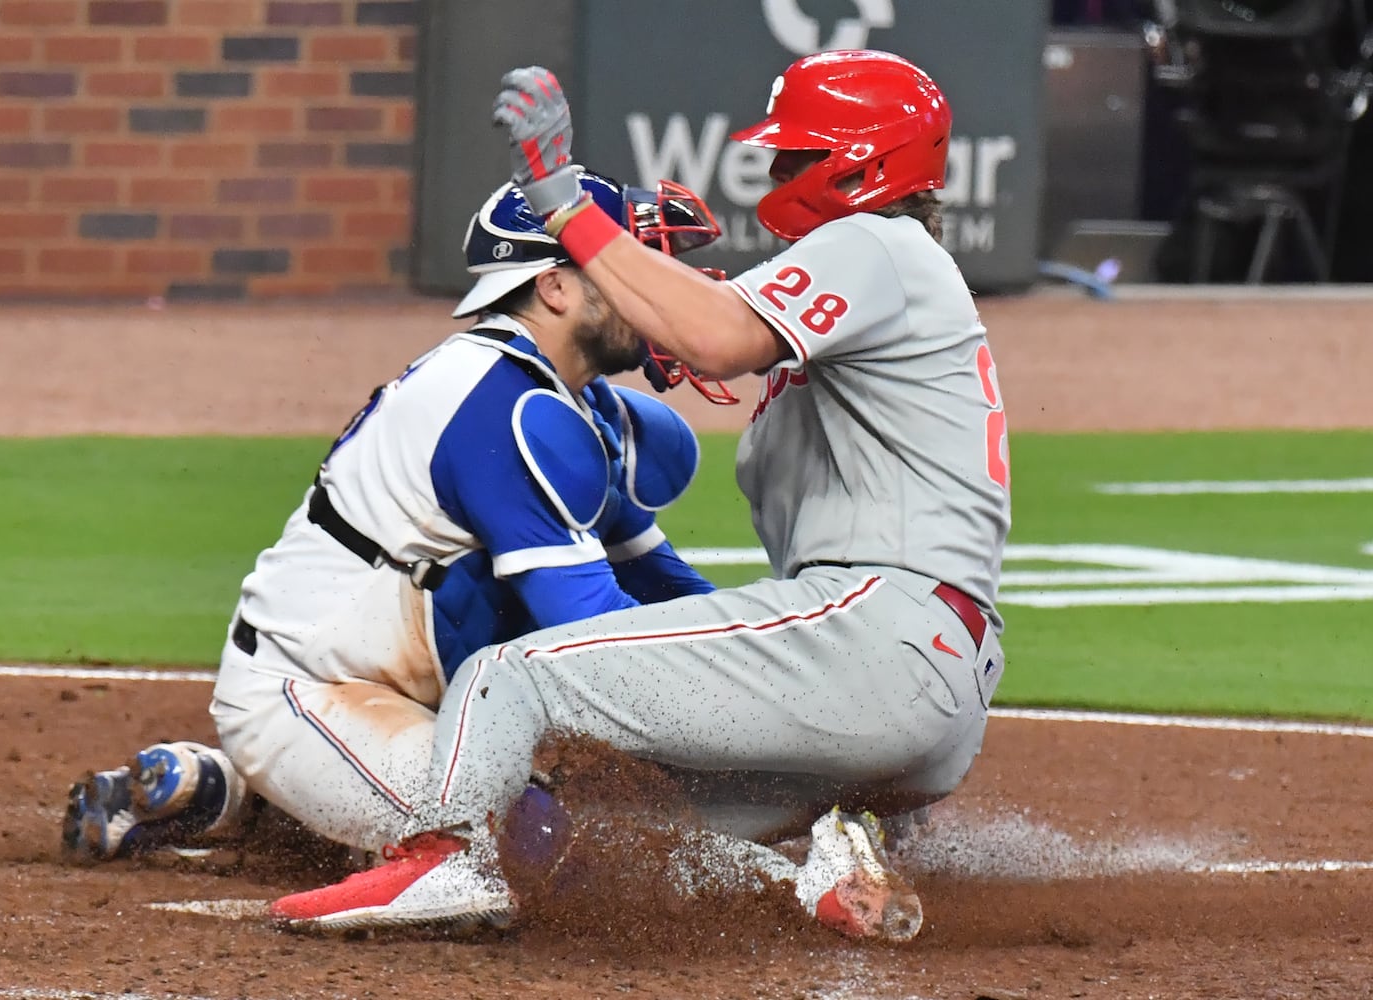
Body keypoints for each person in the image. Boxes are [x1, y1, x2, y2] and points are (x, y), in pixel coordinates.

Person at [269, 50, 1012, 944]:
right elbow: (724, 331)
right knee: (629, 815)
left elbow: (721, 333)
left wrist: (565, 206)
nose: (775, 175)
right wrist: (668, 318)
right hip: (924, 689)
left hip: (874, 635)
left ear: (863, 162)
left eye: (797, 157)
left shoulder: (874, 244)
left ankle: (447, 861)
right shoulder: (897, 279)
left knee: (512, 680)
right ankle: (835, 849)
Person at [61, 169, 727, 863]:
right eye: (630, 261)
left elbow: (663, 589)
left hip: (406, 697)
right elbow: (595, 638)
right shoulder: (507, 411)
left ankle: (226, 800)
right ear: (555, 288)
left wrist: (775, 675)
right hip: (308, 694)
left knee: (585, 806)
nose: (659, 287)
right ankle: (262, 783)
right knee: (532, 861)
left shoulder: (581, 407)